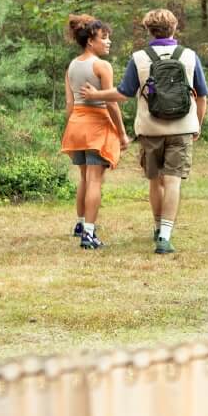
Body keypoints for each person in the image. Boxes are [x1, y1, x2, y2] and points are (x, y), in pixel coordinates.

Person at [80, 7, 207, 255]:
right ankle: (165, 236)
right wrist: (197, 125)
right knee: (172, 181)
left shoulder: (139, 57)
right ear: (174, 28)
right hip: (182, 128)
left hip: (150, 129)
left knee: (154, 180)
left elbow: (123, 94)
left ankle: (158, 226)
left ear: (148, 30)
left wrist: (96, 95)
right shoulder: (190, 56)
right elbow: (201, 97)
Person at [59, 14, 129, 250]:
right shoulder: (101, 65)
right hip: (97, 126)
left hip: (77, 125)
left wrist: (71, 127)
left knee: (84, 178)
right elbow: (110, 102)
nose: (108, 42)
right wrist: (121, 133)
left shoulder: (72, 65)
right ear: (91, 40)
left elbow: (70, 104)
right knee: (95, 180)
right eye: (104, 38)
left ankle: (80, 223)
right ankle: (89, 233)